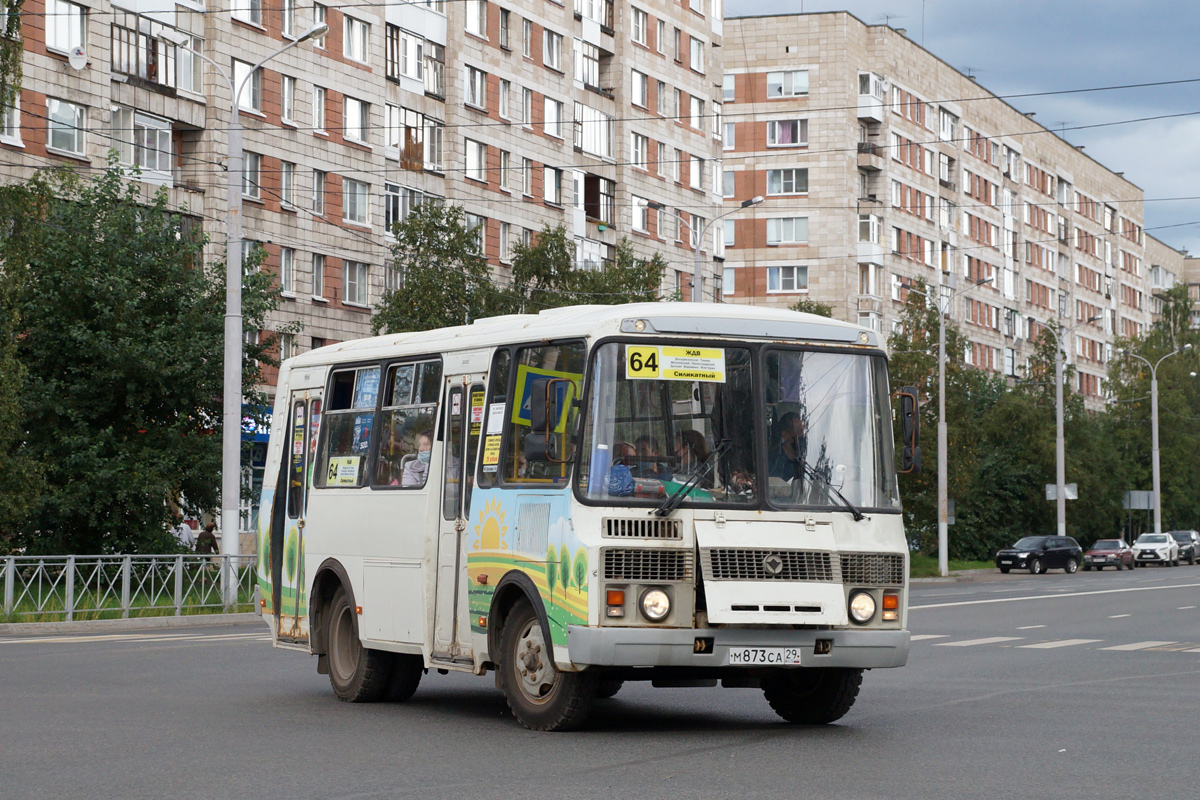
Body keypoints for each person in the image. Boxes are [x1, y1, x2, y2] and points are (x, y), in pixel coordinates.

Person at [768, 412, 807, 482]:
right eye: (799, 432)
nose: (803, 436)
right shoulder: (775, 461)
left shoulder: (809, 455)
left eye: (804, 431)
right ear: (785, 435)